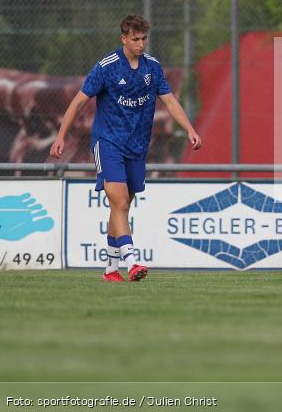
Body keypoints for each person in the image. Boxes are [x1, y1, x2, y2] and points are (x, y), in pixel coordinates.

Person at [50, 15, 202, 282]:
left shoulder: (152, 68)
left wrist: (189, 128)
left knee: (122, 206)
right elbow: (77, 102)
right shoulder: (106, 67)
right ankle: (132, 262)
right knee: (119, 201)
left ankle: (110, 269)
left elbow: (170, 101)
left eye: (144, 39)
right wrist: (60, 136)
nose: (141, 44)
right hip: (107, 141)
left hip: (137, 145)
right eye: (135, 39)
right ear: (124, 38)